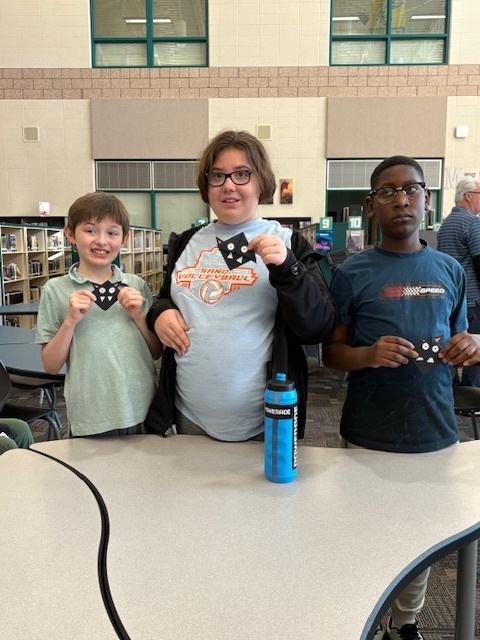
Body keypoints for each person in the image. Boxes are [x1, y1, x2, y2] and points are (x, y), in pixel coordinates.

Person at [322, 156, 480, 640]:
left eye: (411, 189)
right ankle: (359, 616)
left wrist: (471, 347)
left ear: (426, 200)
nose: (401, 199)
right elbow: (331, 354)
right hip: (369, 428)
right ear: (371, 206)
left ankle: (407, 623)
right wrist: (367, 355)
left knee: (422, 539)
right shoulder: (351, 272)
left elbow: (461, 337)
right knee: (365, 535)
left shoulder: (449, 269)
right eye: (387, 192)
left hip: (434, 428)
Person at [145, 129, 336, 441]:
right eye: (217, 176)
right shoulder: (186, 243)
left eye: (241, 174)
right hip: (188, 416)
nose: (228, 185)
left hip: (264, 421)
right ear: (206, 185)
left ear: (260, 181)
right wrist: (160, 313)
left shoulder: (290, 243)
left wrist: (288, 269)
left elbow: (318, 326)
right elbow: (166, 297)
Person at [35, 192, 162, 437]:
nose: (102, 241)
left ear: (125, 238)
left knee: (145, 474)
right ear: (70, 233)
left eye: (112, 233)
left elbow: (156, 352)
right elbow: (51, 366)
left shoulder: (135, 285)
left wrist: (139, 318)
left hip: (143, 408)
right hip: (90, 415)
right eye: (90, 230)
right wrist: (70, 321)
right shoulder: (56, 290)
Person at [437, 177, 480, 386]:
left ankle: (452, 392)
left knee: (453, 346)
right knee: (472, 349)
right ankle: (472, 396)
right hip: (473, 299)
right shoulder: (473, 222)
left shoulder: (446, 224)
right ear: (468, 196)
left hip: (450, 298)